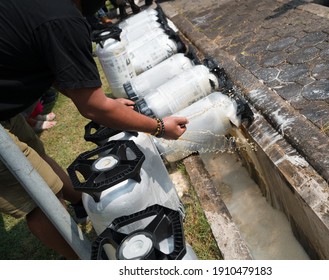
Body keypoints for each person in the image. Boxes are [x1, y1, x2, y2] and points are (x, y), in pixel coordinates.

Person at [0, 0, 188, 260]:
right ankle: (83, 260)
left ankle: (82, 205)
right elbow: (93, 107)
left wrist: (106, 104)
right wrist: (158, 127)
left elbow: (57, 69)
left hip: (6, 112)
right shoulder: (63, 18)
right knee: (38, 197)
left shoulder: (48, 10)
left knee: (35, 155)